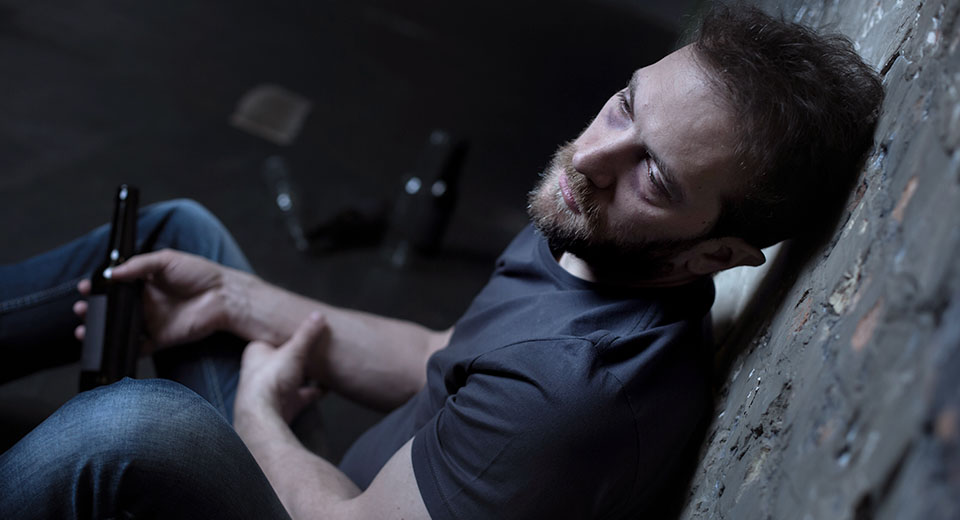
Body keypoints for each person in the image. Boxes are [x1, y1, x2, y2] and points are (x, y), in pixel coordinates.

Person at [0, 4, 882, 519]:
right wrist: (239, 301)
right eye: (625, 106)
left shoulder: (576, 400)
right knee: (183, 240)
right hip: (358, 485)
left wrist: (258, 413)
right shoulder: (593, 223)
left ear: (720, 254)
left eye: (653, 174)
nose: (592, 158)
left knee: (132, 429)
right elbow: (443, 352)